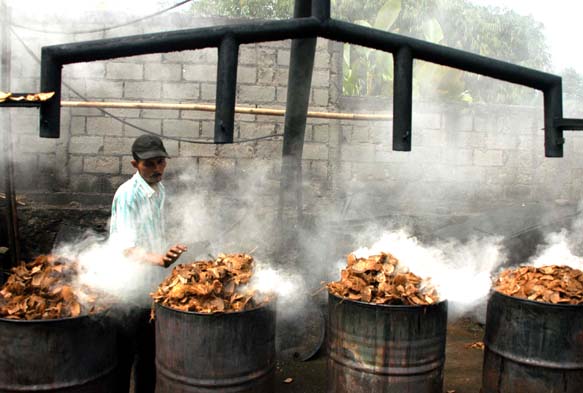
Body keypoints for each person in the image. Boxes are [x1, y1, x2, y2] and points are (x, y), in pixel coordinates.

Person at [109, 134, 187, 393]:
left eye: (161, 162)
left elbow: (154, 234)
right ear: (135, 165)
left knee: (149, 356)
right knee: (123, 358)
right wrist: (159, 259)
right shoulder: (127, 195)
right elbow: (125, 248)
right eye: (149, 164)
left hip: (152, 288)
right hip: (129, 291)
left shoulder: (159, 189)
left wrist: (170, 255)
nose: (157, 169)